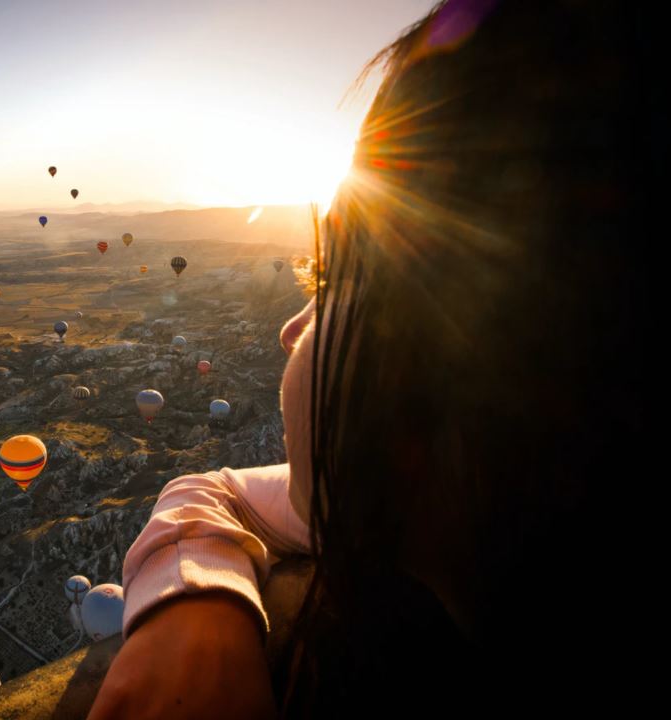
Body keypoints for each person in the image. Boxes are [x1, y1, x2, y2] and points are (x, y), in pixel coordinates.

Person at [90, 0, 651, 717]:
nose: (291, 329)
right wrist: (196, 610)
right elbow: (214, 490)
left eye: (340, 278)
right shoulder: (472, 507)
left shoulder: (463, 496)